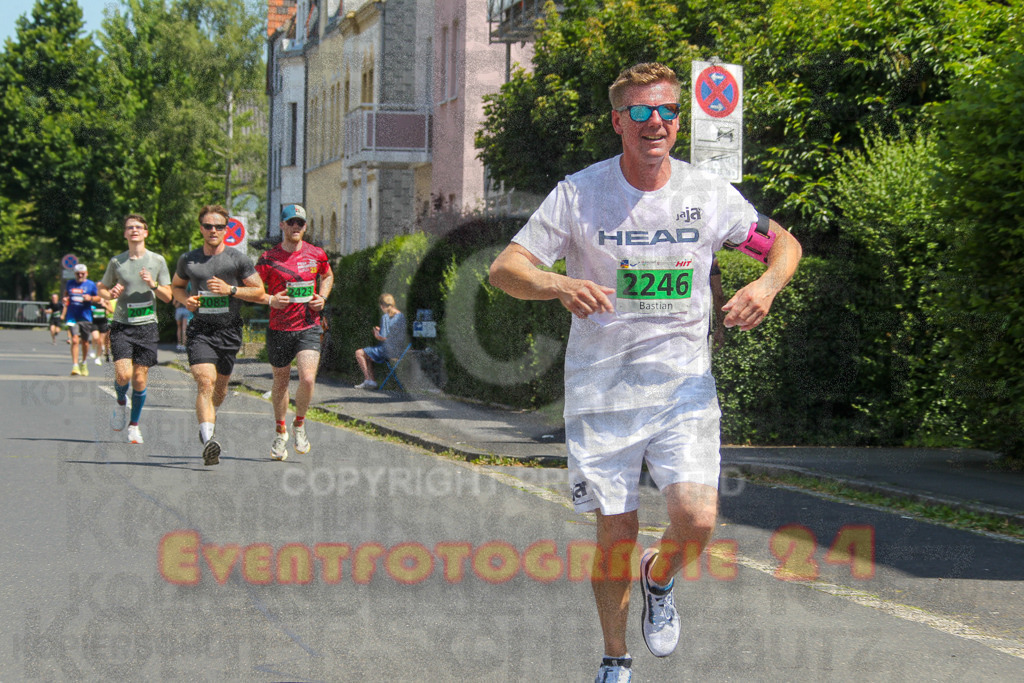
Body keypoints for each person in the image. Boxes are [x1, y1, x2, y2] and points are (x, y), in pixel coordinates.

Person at [488, 62, 802, 683]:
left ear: (678, 121)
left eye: (664, 111)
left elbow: (783, 243)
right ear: (617, 122)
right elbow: (505, 268)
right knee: (616, 531)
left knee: (699, 519)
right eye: (638, 112)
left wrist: (766, 285)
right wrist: (556, 281)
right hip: (602, 389)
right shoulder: (579, 194)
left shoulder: (706, 194)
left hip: (683, 385)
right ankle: (615, 659)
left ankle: (660, 578)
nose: (653, 122)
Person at [172, 204, 266, 466]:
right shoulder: (188, 259)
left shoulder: (238, 259)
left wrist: (231, 290)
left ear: (227, 229)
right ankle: (209, 439)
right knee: (205, 381)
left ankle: (208, 421)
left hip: (229, 331)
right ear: (201, 228)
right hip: (201, 330)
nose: (213, 230)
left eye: (219, 226)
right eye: (208, 226)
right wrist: (185, 301)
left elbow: (259, 291)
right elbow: (177, 287)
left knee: (219, 390)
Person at [255, 204, 334, 460]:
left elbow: (328, 276)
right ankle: (280, 433)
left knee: (308, 379)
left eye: (300, 223)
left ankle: (299, 424)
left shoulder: (316, 254)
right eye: (291, 222)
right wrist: (270, 299)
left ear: (305, 227)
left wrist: (322, 297)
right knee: (280, 382)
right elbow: (253, 290)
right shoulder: (268, 258)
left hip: (308, 325)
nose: (295, 227)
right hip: (279, 328)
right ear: (282, 225)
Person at [98, 213, 173, 445]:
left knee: (140, 379)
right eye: (130, 228)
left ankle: (134, 426)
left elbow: (168, 296)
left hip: (147, 327)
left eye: (138, 227)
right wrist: (108, 295)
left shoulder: (157, 261)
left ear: (146, 232)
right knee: (123, 375)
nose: (134, 231)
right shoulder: (117, 262)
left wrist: (153, 284)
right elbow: (101, 287)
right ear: (125, 233)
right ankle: (121, 403)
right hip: (122, 325)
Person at [353, 293, 407, 390]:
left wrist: (377, 334)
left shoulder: (386, 317)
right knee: (368, 355)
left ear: (382, 306)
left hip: (387, 350)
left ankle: (367, 380)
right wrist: (381, 330)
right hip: (399, 350)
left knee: (359, 353)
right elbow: (396, 335)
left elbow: (383, 337)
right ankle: (372, 381)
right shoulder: (401, 316)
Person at [63, 264, 100, 376]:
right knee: (74, 340)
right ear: (74, 274)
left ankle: (83, 363)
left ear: (86, 273)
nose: (80, 275)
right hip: (72, 316)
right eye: (78, 274)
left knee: (84, 342)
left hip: (85, 316)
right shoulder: (70, 283)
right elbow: (65, 295)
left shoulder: (91, 284)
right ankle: (75, 366)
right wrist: (65, 299)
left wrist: (91, 298)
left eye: (82, 273)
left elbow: (98, 298)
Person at [89, 298, 113, 365]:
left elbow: (111, 311)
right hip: (94, 322)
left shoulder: (105, 302)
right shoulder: (92, 302)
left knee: (100, 341)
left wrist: (105, 305)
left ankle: (98, 357)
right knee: (96, 337)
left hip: (103, 323)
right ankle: (93, 348)